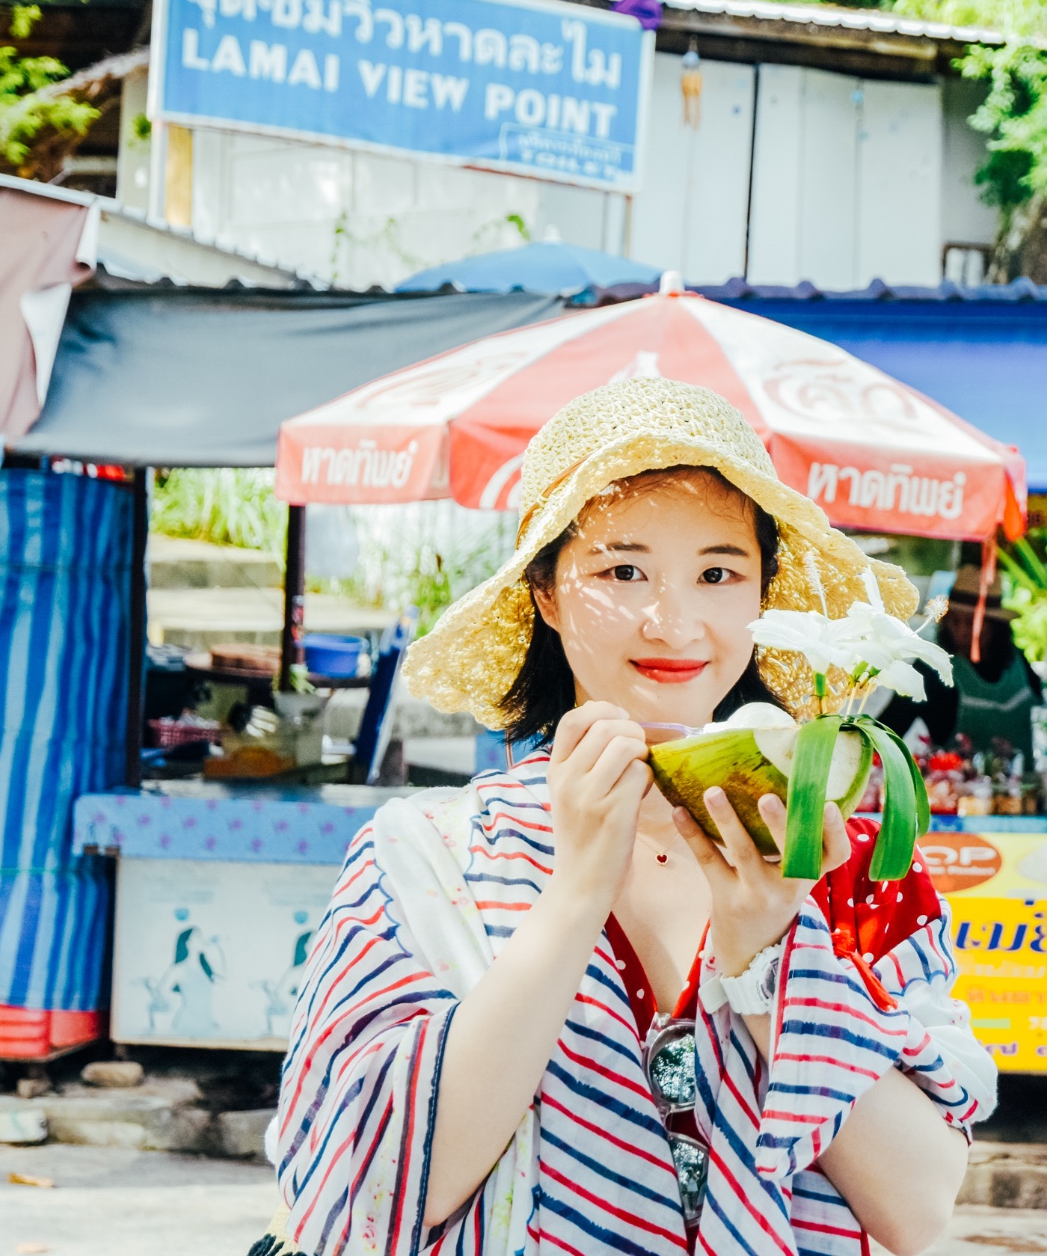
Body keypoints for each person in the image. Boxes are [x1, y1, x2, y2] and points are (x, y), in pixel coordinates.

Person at [261, 379, 994, 1256]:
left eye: (718, 572)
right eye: (622, 569)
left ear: (763, 599)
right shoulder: (428, 858)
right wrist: (573, 897)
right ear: (546, 591)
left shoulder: (837, 853)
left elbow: (918, 1206)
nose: (673, 621)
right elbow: (376, 1192)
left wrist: (767, 961)